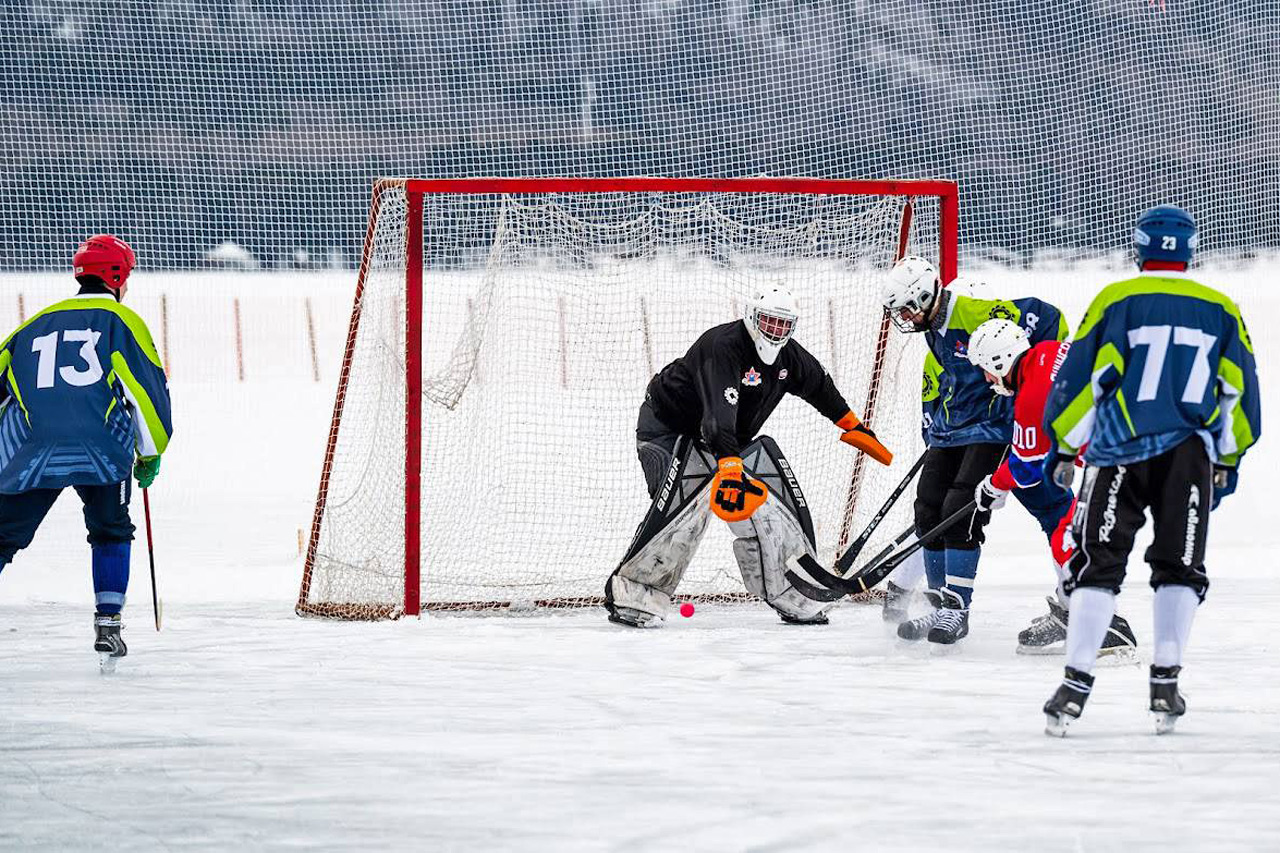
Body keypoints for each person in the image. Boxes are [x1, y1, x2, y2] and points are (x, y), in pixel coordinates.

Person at [1041, 205, 1261, 736]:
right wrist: (1227, 459)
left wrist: (1065, 446)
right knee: (1179, 564)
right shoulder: (1222, 306)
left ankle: (1075, 683)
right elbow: (1243, 395)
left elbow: (1082, 379)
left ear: (1140, 248)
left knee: (1098, 563)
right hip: (1189, 454)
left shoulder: (1118, 299)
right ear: (1189, 251)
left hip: (1120, 450)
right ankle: (1165, 678)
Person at [605, 283, 892, 627]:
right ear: (752, 317)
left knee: (775, 508)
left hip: (729, 441)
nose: (775, 331)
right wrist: (727, 465)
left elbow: (819, 385)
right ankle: (635, 593)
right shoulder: (722, 346)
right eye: (769, 321)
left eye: (783, 324)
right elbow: (716, 416)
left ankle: (794, 593)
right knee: (684, 513)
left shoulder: (789, 358)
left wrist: (851, 424)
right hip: (670, 429)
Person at [0, 235, 173, 670]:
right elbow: (147, 396)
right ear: (117, 276)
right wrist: (150, 452)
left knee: (2, 537)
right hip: (101, 449)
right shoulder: (121, 320)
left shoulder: (31, 324)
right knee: (111, 529)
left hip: (32, 447)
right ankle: (108, 624)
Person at [880, 257, 1067, 645]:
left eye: (907, 308)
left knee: (959, 509)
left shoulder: (974, 311)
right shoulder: (930, 326)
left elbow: (1047, 316)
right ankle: (938, 603)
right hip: (952, 431)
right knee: (928, 508)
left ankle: (957, 608)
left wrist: (1037, 378)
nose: (905, 317)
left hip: (992, 427)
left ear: (927, 294)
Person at [965, 318, 1137, 656]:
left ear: (1001, 361)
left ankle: (1104, 626)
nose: (987, 379)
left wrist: (991, 487)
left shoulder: (1030, 399)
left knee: (1069, 536)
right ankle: (1069, 612)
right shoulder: (1047, 350)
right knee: (1067, 527)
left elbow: (1026, 470)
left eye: (987, 369)